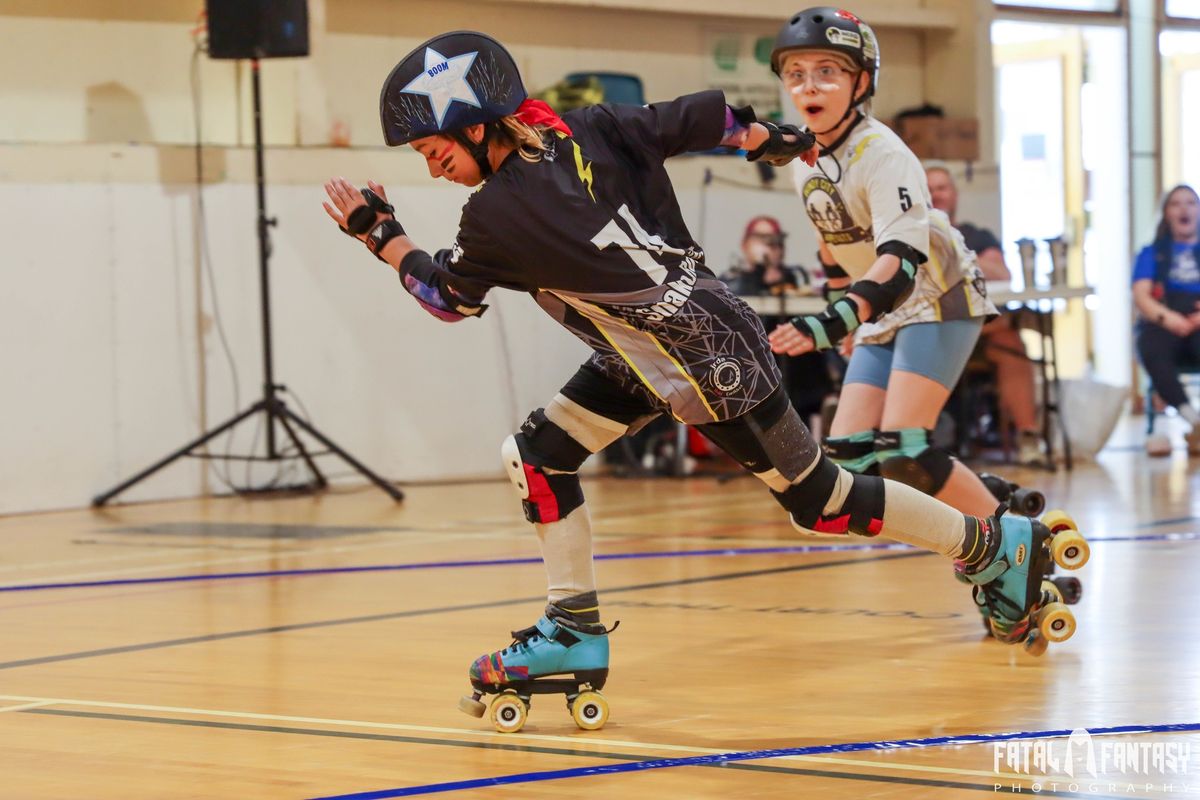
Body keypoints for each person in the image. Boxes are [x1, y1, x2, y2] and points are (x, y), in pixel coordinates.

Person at [323, 30, 1085, 730]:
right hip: (664, 349)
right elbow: (709, 116)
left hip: (705, 366)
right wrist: (775, 140)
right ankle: (573, 631)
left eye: (433, 148)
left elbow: (448, 299)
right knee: (538, 455)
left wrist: (380, 236)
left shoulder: (495, 215)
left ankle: (993, 544)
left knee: (821, 502)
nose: (431, 165)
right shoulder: (593, 125)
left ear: (479, 124)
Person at [765, 7, 1011, 523]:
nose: (810, 85)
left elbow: (900, 264)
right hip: (880, 302)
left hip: (936, 290)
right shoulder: (804, 160)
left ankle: (1011, 539)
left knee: (904, 446)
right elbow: (833, 245)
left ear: (861, 82)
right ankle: (986, 508)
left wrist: (836, 321)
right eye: (796, 73)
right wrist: (848, 314)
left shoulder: (884, 154)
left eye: (827, 72)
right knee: (851, 455)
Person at [926, 165, 1043, 465]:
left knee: (1011, 342)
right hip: (928, 329)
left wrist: (954, 250)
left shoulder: (975, 236)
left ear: (954, 195)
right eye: (929, 187)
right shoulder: (907, 237)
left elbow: (1001, 273)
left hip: (979, 329)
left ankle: (1028, 436)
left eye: (942, 187)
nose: (936, 194)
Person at [723, 215, 837, 431]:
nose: (771, 246)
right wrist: (759, 275)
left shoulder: (796, 277)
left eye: (776, 240)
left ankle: (826, 402)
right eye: (762, 238)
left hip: (796, 369)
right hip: (750, 364)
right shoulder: (732, 279)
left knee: (806, 335)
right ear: (745, 244)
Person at [1133, 184, 1200, 456]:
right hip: (1163, 321)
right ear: (1166, 213)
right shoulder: (1152, 253)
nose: (1184, 209)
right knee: (1152, 348)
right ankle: (1194, 420)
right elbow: (1141, 295)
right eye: (1176, 204)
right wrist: (1169, 318)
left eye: (1190, 203)